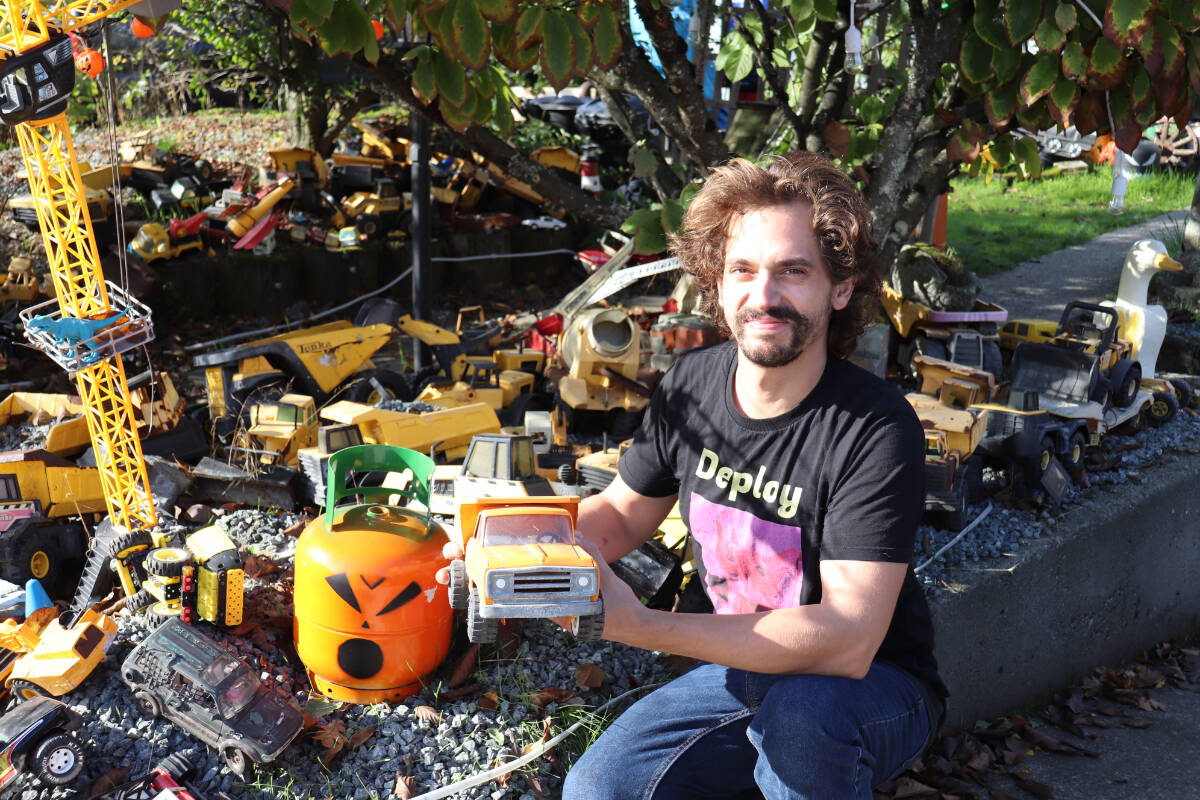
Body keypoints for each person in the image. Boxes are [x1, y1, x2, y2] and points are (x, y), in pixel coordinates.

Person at [438, 151, 945, 799]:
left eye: (794, 271)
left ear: (840, 289)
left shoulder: (874, 427)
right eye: (743, 270)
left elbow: (846, 640)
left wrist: (640, 624)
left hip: (872, 682)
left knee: (802, 725)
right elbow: (621, 516)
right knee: (599, 790)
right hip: (739, 667)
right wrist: (514, 542)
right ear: (717, 283)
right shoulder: (691, 385)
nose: (764, 296)